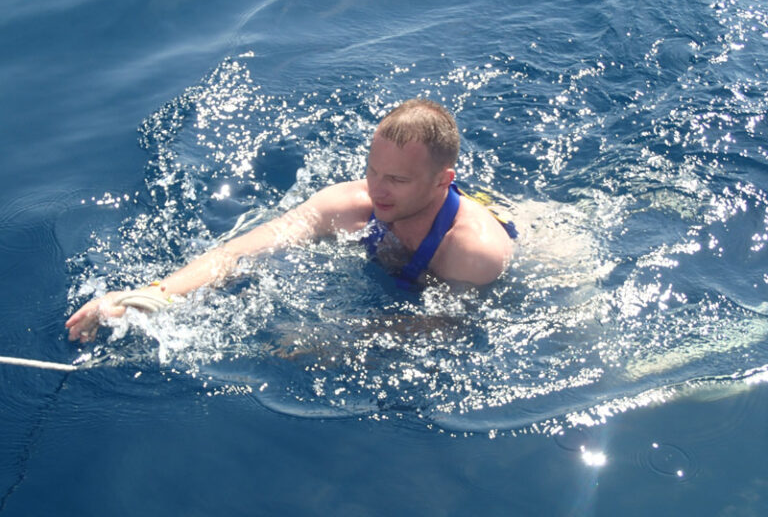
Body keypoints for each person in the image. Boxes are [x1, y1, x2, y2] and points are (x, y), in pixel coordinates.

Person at [66, 99, 516, 342]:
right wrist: (149, 296)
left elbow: (451, 327)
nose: (377, 190)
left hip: (527, 237)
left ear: (442, 181)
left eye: (396, 179)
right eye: (372, 170)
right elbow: (238, 253)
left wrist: (335, 339)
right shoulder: (352, 203)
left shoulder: (472, 252)